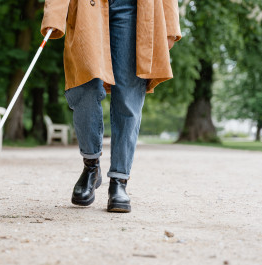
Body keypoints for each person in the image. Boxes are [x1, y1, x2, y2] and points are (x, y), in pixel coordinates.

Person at [41, 0, 181, 212]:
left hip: (133, 9)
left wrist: (170, 24)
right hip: (88, 9)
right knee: (84, 86)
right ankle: (91, 165)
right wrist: (53, 14)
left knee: (128, 96)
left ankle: (119, 181)